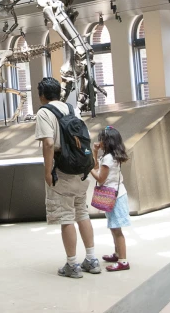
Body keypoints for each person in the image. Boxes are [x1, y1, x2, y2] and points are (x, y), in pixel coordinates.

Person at [35, 77, 100, 278]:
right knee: (82, 212)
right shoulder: (72, 110)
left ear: (42, 95)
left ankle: (72, 264)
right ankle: (91, 259)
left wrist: (47, 172)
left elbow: (48, 143)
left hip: (61, 170)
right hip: (80, 169)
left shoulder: (44, 112)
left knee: (66, 217)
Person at [90, 126, 131, 271]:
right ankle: (118, 254)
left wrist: (89, 169)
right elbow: (98, 167)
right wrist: (95, 153)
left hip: (114, 197)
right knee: (114, 228)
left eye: (101, 139)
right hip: (117, 195)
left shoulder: (108, 158)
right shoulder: (112, 156)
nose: (99, 142)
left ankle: (123, 261)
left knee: (116, 230)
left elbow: (100, 178)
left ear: (107, 142)